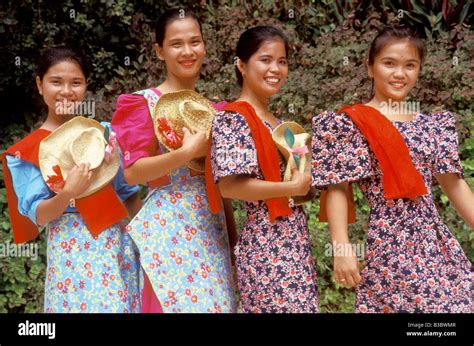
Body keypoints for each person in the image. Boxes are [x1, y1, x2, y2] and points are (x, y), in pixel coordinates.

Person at [312, 25, 473, 313]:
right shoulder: (351, 123)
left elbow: (455, 185)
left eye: (410, 65)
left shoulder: (431, 126)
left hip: (435, 242)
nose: (400, 74)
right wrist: (341, 247)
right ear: (370, 66)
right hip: (388, 245)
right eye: (390, 63)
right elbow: (337, 188)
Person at [111, 8, 237, 313]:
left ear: (205, 46)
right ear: (159, 51)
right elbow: (132, 173)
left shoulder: (216, 111)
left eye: (195, 42)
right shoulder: (142, 103)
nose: (188, 51)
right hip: (166, 232)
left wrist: (233, 243)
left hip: (212, 228)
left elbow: (224, 184)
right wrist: (184, 154)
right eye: (176, 44)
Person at [1, 46, 142, 312]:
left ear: (85, 86)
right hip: (71, 250)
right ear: (40, 85)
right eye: (56, 82)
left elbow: (128, 193)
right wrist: (67, 193)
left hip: (116, 244)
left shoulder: (103, 134)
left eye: (75, 82)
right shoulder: (27, 151)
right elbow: (38, 215)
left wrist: (144, 244)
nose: (66, 91)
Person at [206, 26, 319, 313]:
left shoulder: (279, 123)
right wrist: (290, 188)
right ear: (241, 65)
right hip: (265, 247)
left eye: (282, 61)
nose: (276, 69)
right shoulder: (232, 119)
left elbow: (298, 186)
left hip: (294, 242)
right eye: (265, 60)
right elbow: (229, 186)